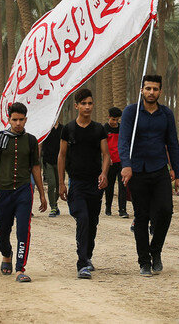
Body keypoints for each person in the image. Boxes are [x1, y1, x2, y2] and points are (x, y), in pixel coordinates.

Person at [118, 74, 179, 277]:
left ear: (160, 91)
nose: (151, 92)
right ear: (141, 90)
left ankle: (156, 251)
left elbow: (172, 144)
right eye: (148, 88)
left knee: (165, 211)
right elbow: (124, 141)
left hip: (159, 169)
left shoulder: (166, 114)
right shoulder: (131, 112)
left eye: (155, 89)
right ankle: (144, 261)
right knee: (141, 216)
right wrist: (126, 166)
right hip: (137, 170)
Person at [0, 102, 48, 283]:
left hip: (24, 191)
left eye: (21, 120)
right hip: (2, 191)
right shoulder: (0, 138)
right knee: (1, 231)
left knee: (23, 230)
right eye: (14, 119)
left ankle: (20, 268)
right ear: (9, 119)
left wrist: (42, 193)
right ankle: (6, 254)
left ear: (26, 120)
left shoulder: (32, 140)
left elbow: (35, 167)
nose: (18, 123)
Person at [58, 89, 109, 279]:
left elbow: (106, 155)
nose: (87, 107)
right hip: (76, 183)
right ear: (77, 105)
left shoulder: (98, 129)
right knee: (83, 218)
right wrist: (62, 183)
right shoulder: (68, 129)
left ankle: (87, 256)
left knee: (92, 222)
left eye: (90, 103)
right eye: (84, 103)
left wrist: (104, 173)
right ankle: (82, 263)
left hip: (95, 183)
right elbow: (61, 155)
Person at [104, 107, 128, 218]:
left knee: (123, 185)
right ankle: (108, 207)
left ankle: (122, 209)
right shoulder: (104, 129)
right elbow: (102, 146)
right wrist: (107, 158)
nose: (115, 122)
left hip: (122, 161)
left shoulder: (122, 128)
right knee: (110, 185)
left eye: (117, 120)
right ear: (109, 117)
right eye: (113, 119)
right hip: (110, 162)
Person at [41, 121, 63, 217]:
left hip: (59, 161)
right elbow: (40, 144)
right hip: (48, 160)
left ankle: (55, 203)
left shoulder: (63, 129)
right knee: (52, 183)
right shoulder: (46, 128)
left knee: (58, 185)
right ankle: (53, 207)